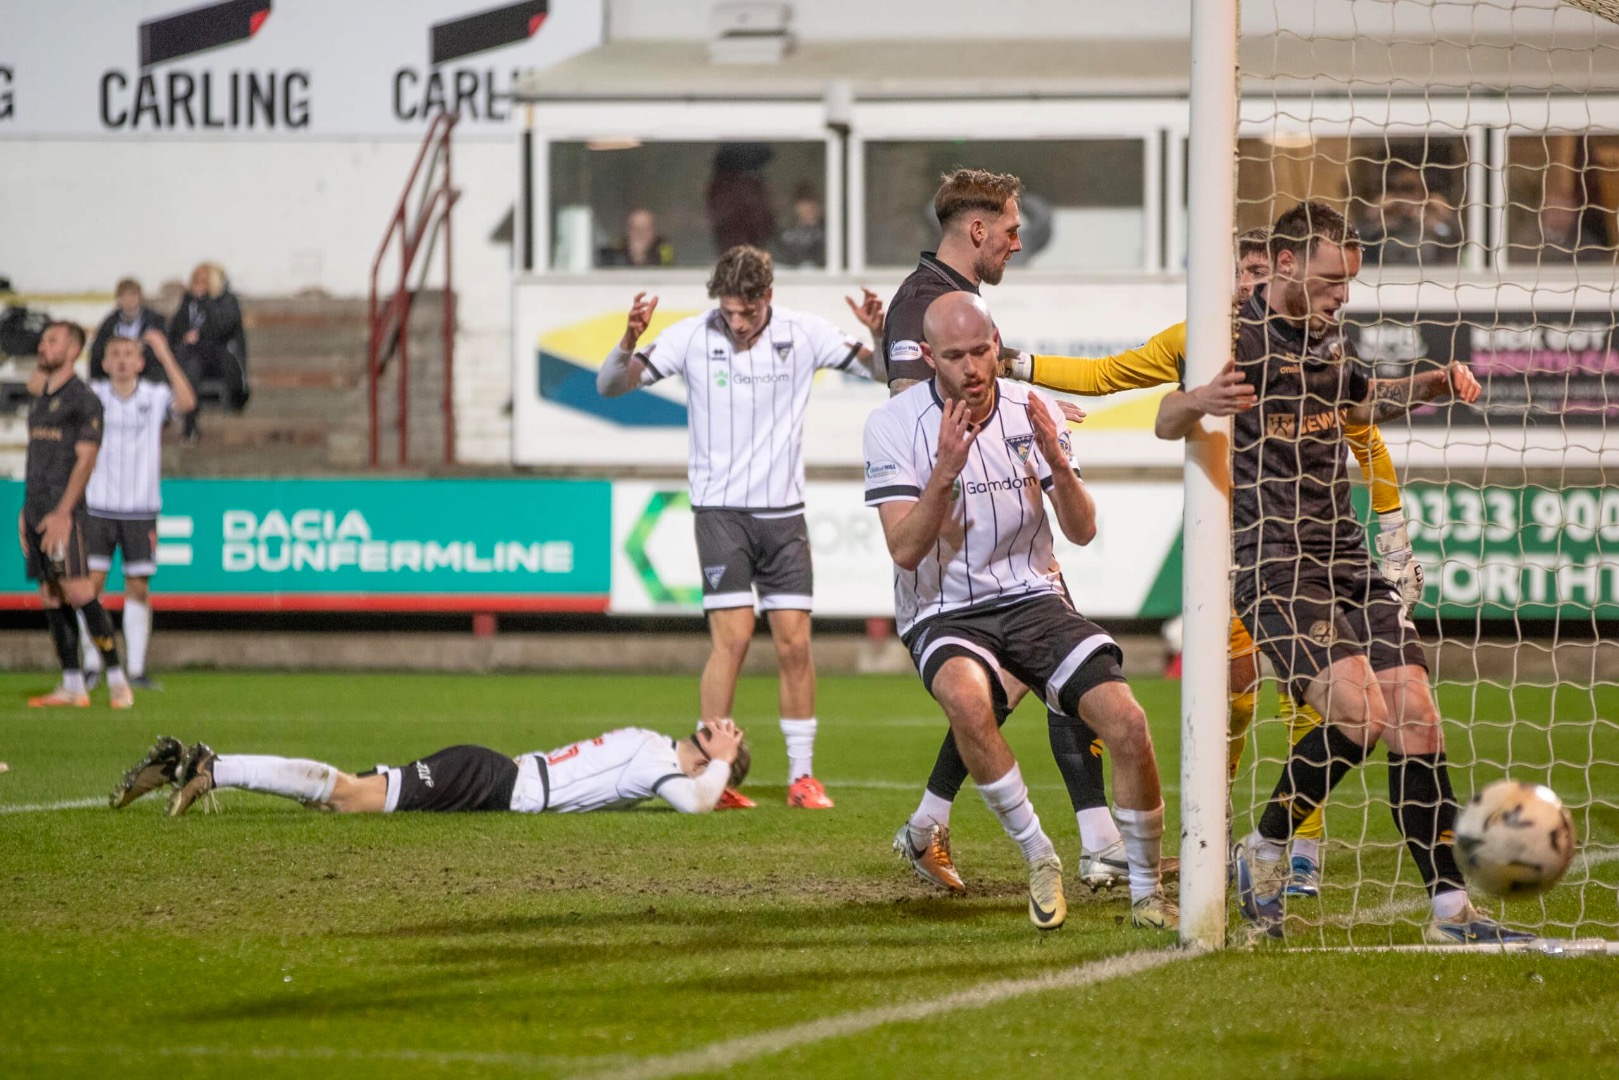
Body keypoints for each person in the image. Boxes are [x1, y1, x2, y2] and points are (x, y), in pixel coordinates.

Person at [1004, 225, 1425, 897]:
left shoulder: (1311, 346)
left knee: (1310, 696)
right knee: (1232, 694)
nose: (1249, 283)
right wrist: (1016, 363)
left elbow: (1364, 436)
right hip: (1221, 547)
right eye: (1242, 271)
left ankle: (1300, 850)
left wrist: (1394, 535)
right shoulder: (1197, 342)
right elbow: (1105, 375)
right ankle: (1211, 829)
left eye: (1260, 272)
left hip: (1298, 544)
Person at [1157, 200, 1528, 945]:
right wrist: (1198, 400)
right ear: (1285, 262)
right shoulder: (1232, 337)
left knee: (1416, 718)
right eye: (1331, 280)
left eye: (1348, 281)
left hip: (1346, 556)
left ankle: (1451, 913)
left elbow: (1360, 405)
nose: (1342, 294)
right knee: (1359, 716)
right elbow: (1168, 419)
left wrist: (1428, 386)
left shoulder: (1329, 337)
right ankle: (1265, 846)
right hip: (1275, 564)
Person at [866, 291, 1174, 932]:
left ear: (997, 342)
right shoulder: (892, 426)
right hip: (945, 609)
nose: (973, 368)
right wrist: (944, 472)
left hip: (1032, 596)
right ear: (927, 357)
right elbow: (904, 549)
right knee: (967, 700)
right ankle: (1040, 855)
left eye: (982, 351)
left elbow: (1082, 531)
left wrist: (1059, 462)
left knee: (1127, 723)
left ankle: (1147, 896)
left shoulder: (1032, 410)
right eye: (955, 356)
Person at [883, 169, 1135, 897]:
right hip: (963, 537)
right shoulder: (924, 303)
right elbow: (916, 414)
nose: (1017, 243)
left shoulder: (942, 296)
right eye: (1011, 230)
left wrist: (1030, 404)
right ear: (976, 230)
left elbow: (980, 392)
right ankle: (1094, 845)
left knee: (1024, 679)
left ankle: (934, 823)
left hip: (1000, 526)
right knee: (1048, 674)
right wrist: (1016, 423)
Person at [596, 245, 884, 811]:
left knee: (795, 644)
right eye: (729, 312)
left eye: (747, 312)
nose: (738, 322)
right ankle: (713, 775)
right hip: (720, 514)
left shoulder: (804, 333)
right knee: (731, 641)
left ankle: (802, 777)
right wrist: (628, 340)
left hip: (784, 515)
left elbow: (883, 372)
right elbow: (610, 386)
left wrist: (878, 332)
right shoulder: (691, 336)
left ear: (768, 297)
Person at [107, 718, 749, 818]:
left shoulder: (653, 750)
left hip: (493, 777)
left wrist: (717, 770)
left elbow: (695, 793)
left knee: (340, 797)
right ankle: (213, 766)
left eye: (727, 735)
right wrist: (721, 766)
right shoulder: (658, 757)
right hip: (495, 781)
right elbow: (696, 803)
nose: (722, 725)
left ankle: (204, 768)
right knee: (349, 796)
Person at [18, 322, 132, 709]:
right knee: (50, 595)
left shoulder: (83, 400)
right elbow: (38, 459)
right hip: (37, 511)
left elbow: (86, 459)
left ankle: (117, 680)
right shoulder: (41, 399)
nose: (43, 346)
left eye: (52, 341)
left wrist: (64, 512)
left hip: (64, 514)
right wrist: (26, 510)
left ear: (72, 351)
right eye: (43, 340)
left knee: (79, 590)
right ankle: (72, 684)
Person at [79, 334, 197, 691]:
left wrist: (165, 352)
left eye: (129, 354)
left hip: (141, 509)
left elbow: (187, 402)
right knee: (90, 587)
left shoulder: (154, 395)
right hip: (98, 505)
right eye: (115, 354)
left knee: (138, 587)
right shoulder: (94, 395)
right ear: (104, 363)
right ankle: (92, 663)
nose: (122, 360)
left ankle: (136, 669)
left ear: (141, 362)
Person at [168, 261, 248, 445]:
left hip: (220, 356)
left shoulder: (227, 301)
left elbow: (223, 328)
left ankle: (235, 401)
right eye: (196, 281)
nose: (199, 285)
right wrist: (186, 335)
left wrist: (205, 302)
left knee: (195, 359)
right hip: (194, 356)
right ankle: (189, 422)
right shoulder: (188, 302)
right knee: (190, 366)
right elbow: (176, 329)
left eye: (204, 281)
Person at [88, 279, 171, 383]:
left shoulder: (155, 321)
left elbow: (165, 350)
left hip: (149, 377)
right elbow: (97, 351)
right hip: (114, 379)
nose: (128, 300)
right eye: (123, 296)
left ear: (140, 297)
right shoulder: (110, 323)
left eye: (132, 296)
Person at [599, 208, 675, 268]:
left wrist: (641, 258)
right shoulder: (614, 252)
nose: (641, 234)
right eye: (636, 229)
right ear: (628, 231)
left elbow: (666, 276)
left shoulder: (664, 252)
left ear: (654, 232)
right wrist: (634, 256)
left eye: (646, 229)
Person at [776, 185, 826, 268]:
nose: (808, 208)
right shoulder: (788, 235)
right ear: (796, 207)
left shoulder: (827, 233)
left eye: (811, 203)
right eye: (803, 204)